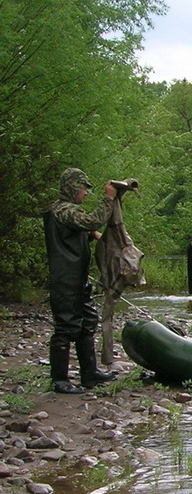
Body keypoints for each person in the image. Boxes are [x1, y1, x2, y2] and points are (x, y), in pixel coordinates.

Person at [43, 168, 118, 394]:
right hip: (65, 279)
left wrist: (96, 238)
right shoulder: (63, 210)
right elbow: (93, 220)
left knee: (87, 321)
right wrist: (108, 198)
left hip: (77, 278)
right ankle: (59, 380)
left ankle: (89, 373)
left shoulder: (66, 214)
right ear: (73, 187)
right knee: (66, 327)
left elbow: (80, 232)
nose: (85, 193)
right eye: (84, 188)